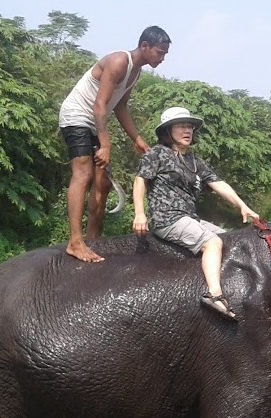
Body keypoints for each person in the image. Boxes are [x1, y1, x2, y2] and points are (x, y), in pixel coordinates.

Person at [132, 106, 259, 321]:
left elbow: (219, 184)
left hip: (190, 218)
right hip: (168, 217)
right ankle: (214, 294)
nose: (187, 130)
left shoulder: (194, 162)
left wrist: (242, 205)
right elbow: (140, 180)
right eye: (181, 125)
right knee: (212, 243)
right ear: (168, 130)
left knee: (229, 239)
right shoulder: (157, 154)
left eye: (190, 126)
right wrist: (139, 213)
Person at [58, 26, 171, 263]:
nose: (162, 59)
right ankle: (75, 242)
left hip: (94, 122)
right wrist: (105, 144)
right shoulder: (119, 61)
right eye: (159, 52)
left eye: (164, 54)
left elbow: (119, 106)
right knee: (83, 173)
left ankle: (93, 240)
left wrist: (138, 139)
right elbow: (100, 105)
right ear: (144, 47)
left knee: (103, 182)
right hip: (77, 116)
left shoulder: (136, 72)